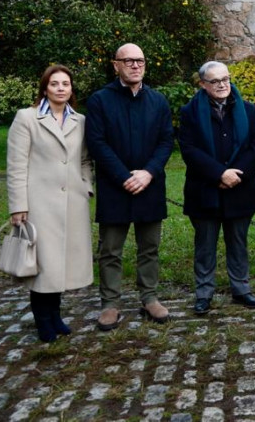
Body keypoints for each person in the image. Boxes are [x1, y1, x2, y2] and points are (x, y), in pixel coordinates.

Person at [86, 43, 174, 330]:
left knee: (149, 247)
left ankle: (149, 297)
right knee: (110, 249)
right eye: (129, 61)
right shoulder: (100, 100)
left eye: (140, 61)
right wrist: (125, 176)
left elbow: (165, 141)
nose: (135, 65)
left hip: (150, 185)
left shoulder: (158, 100)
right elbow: (97, 143)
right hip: (115, 186)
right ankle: (110, 303)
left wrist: (148, 173)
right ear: (116, 65)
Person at [6, 65, 93, 342]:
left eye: (65, 84)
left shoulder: (79, 121)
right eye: (54, 84)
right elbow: (16, 164)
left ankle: (56, 315)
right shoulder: (27, 118)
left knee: (61, 265)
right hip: (39, 203)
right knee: (43, 264)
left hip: (72, 203)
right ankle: (42, 319)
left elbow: (84, 160)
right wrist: (18, 205)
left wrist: (86, 187)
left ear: (71, 89)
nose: (60, 88)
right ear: (45, 88)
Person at [178, 61, 255, 315]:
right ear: (203, 84)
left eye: (225, 79)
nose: (222, 85)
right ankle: (204, 293)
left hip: (240, 188)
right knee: (205, 244)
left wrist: (236, 174)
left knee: (238, 242)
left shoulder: (247, 110)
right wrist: (219, 173)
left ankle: (241, 289)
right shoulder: (189, 112)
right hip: (205, 189)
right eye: (215, 81)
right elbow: (189, 149)